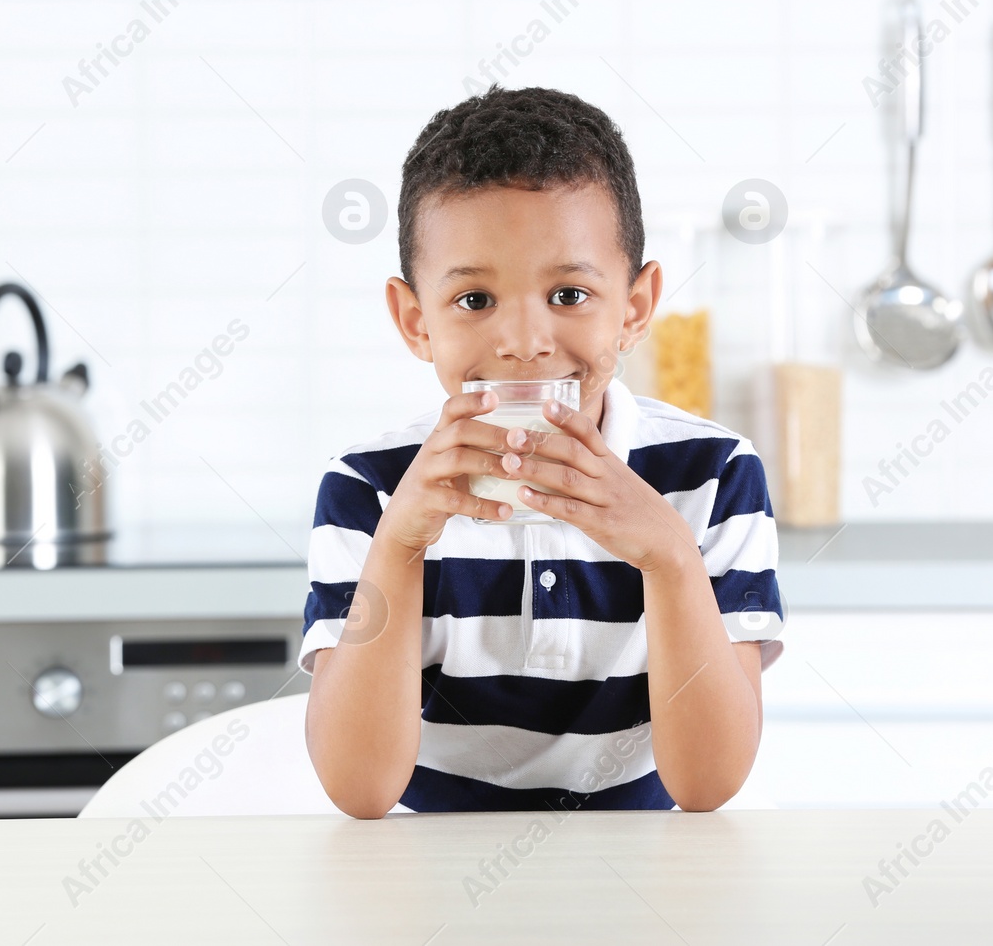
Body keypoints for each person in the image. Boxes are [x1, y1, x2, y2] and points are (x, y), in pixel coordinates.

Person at [299, 84, 784, 816]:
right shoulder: (367, 491)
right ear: (414, 319)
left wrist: (669, 555)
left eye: (568, 294)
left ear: (636, 307)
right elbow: (361, 790)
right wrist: (401, 541)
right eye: (474, 300)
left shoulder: (713, 477)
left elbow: (709, 783)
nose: (525, 341)